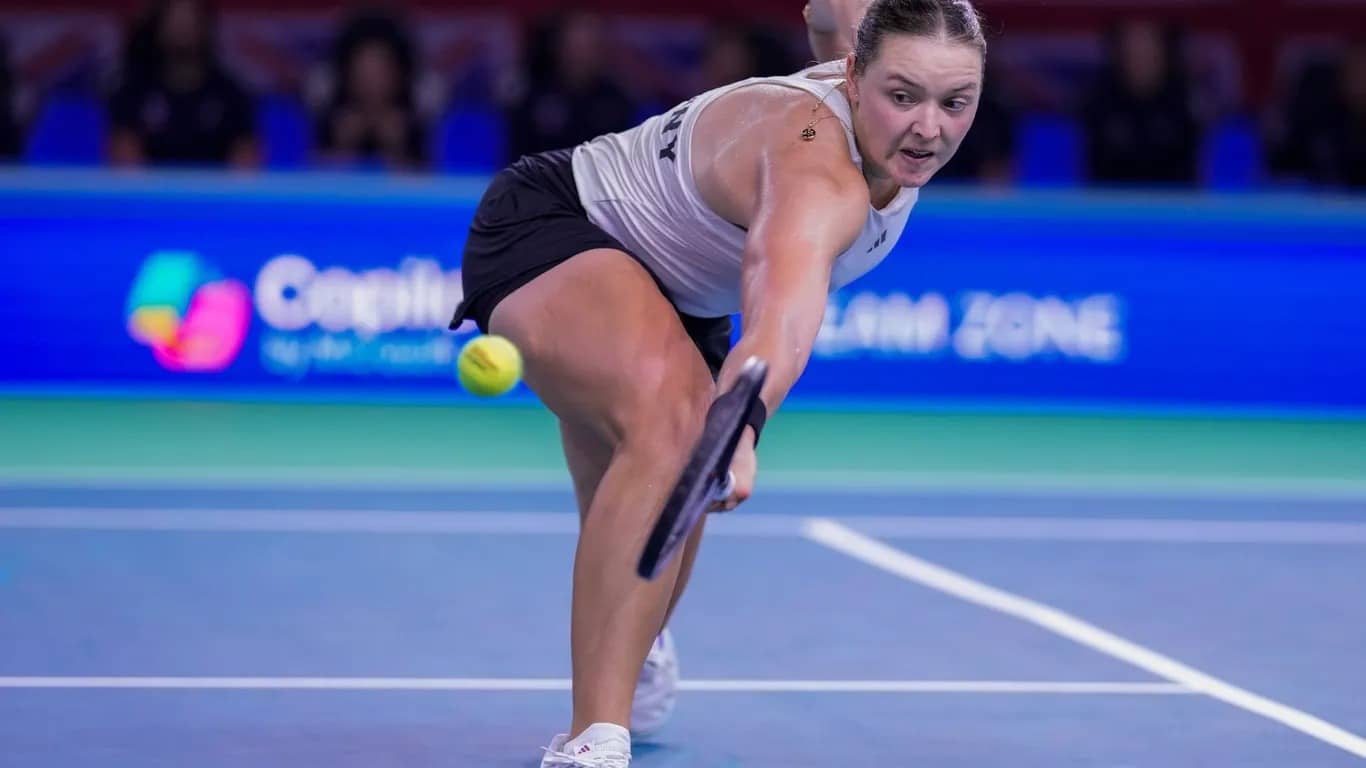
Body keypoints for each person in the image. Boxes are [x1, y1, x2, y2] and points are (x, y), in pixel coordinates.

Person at [450, 1, 985, 764]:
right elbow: (780, 321)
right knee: (678, 433)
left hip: (680, 298)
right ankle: (592, 739)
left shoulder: (881, 47)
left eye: (955, 102)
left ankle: (640, 634)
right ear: (854, 77)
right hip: (563, 227)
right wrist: (741, 422)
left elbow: (836, 13)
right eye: (903, 97)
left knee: (661, 483)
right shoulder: (814, 172)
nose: (928, 128)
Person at [108, 0, 258, 168]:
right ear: (159, 27)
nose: (182, 27)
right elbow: (125, 166)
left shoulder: (232, 94)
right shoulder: (133, 92)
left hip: (214, 185)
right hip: (151, 185)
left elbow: (245, 166)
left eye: (190, 19)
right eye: (174, 19)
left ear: (205, 27)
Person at [315, 9, 427, 171]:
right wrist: (342, 148)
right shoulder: (328, 119)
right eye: (362, 72)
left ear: (398, 74)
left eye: (380, 72)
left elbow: (435, 178)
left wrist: (396, 150)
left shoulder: (417, 122)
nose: (370, 82)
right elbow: (307, 177)